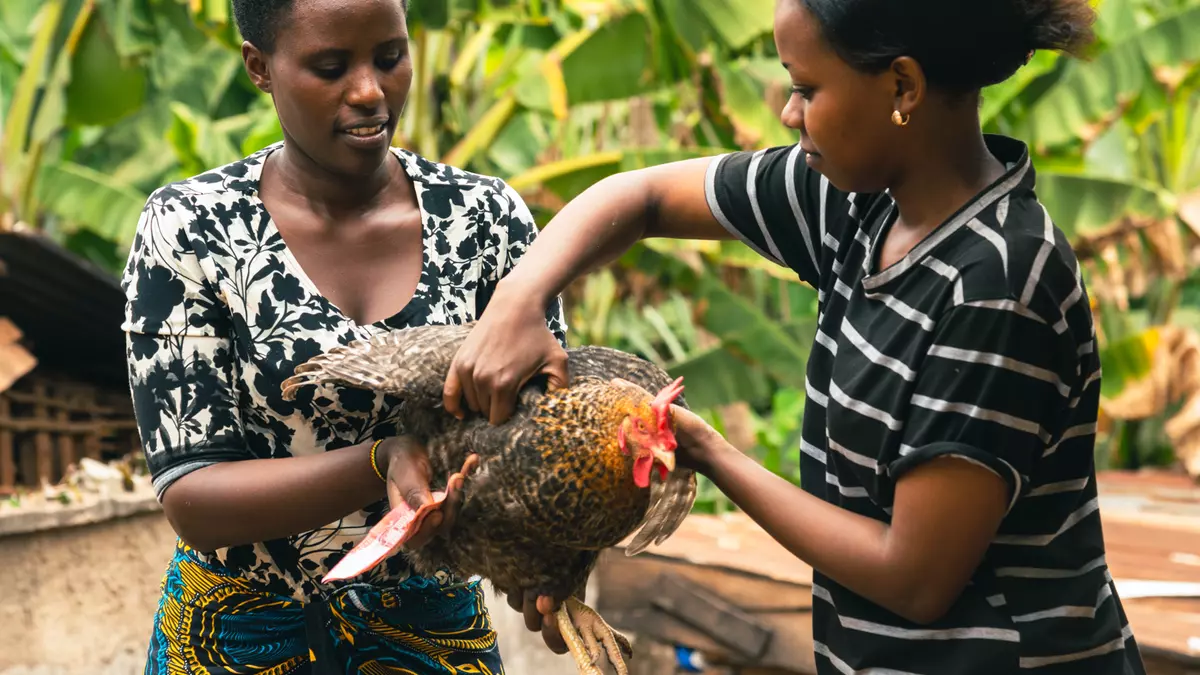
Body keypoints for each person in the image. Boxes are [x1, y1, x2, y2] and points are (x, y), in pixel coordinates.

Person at [443, 0, 1146, 673]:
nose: (788, 112)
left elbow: (913, 576)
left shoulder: (997, 281)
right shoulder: (856, 204)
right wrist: (518, 299)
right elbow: (639, 197)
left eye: (807, 88)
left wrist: (705, 449)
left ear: (902, 85)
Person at [120, 0, 566, 672]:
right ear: (259, 67)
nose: (369, 91)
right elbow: (192, 495)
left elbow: (544, 434)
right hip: (239, 638)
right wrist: (380, 460)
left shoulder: (485, 221)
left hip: (430, 635)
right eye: (331, 67)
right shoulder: (191, 231)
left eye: (390, 57)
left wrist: (547, 556)